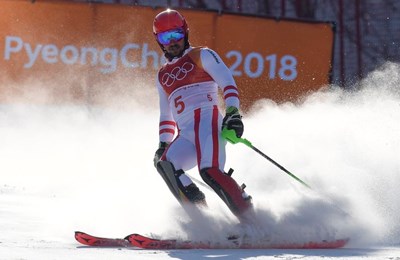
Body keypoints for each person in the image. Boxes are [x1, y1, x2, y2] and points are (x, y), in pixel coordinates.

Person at [152, 9, 253, 222]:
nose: (172, 42)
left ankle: (255, 222)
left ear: (185, 32)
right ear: (158, 41)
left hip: (208, 124)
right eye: (165, 37)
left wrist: (233, 113)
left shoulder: (202, 55)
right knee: (166, 164)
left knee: (209, 171)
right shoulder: (162, 75)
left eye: (176, 35)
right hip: (186, 134)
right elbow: (166, 114)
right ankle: (205, 223)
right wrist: (163, 143)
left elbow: (228, 84)